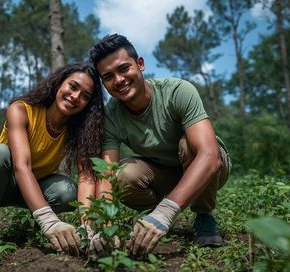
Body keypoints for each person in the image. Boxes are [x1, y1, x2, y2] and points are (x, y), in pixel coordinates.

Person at [87, 34, 231, 258]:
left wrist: (167, 211)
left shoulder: (177, 91)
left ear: (140, 64)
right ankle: (152, 217)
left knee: (188, 144)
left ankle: (203, 215)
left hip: (209, 166)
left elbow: (210, 155)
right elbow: (107, 173)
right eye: (108, 77)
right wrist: (104, 225)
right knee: (121, 175)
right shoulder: (111, 116)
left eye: (124, 68)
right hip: (162, 173)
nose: (119, 80)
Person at [0, 63, 104, 256]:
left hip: (33, 186)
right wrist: (48, 219)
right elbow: (21, 166)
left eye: (85, 96)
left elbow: (86, 175)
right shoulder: (21, 110)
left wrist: (87, 226)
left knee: (67, 190)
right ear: (58, 83)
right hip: (1, 182)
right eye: (73, 87)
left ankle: (35, 227)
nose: (75, 97)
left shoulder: (78, 130)